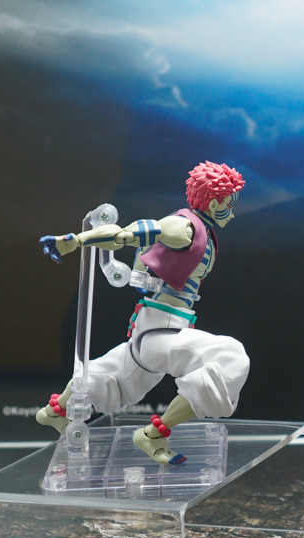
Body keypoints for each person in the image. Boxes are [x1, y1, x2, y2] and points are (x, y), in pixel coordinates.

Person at [35, 161, 251, 464]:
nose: (232, 212)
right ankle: (153, 435)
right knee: (231, 357)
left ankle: (55, 411)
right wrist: (77, 241)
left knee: (114, 377)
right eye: (229, 204)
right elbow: (127, 235)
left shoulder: (200, 231)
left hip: (156, 328)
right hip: (162, 330)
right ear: (215, 203)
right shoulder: (184, 228)